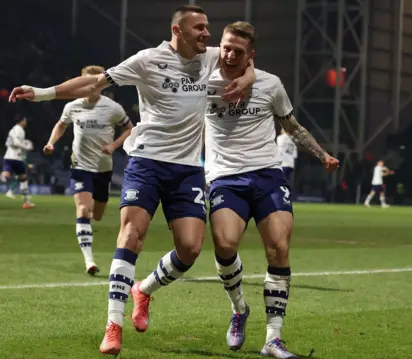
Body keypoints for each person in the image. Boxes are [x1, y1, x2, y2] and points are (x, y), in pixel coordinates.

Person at [9, 5, 256, 356]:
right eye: (199, 27)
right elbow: (94, 83)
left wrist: (243, 82)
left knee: (190, 248)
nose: (206, 33)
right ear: (177, 30)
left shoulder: (212, 57)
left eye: (207, 27)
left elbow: (248, 66)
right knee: (131, 235)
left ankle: (144, 290)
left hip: (186, 169)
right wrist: (44, 92)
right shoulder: (147, 60)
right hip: (147, 162)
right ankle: (113, 325)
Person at [203, 22, 339, 358]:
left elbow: (292, 126)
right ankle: (239, 310)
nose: (230, 54)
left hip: (267, 174)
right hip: (225, 176)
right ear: (219, 45)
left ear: (251, 55)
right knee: (224, 244)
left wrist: (322, 154)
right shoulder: (201, 80)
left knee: (278, 247)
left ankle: (273, 339)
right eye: (226, 47)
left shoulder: (271, 84)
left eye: (239, 50)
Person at [43, 65, 134, 275]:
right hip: (80, 166)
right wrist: (51, 143)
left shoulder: (113, 108)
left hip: (103, 168)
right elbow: (61, 125)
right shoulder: (72, 106)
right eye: (85, 82)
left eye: (95, 82)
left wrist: (113, 146)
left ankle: (87, 227)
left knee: (98, 214)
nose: (90, 86)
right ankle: (89, 261)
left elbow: (130, 128)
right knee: (83, 210)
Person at [2, 116, 35, 208]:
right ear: (21, 121)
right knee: (23, 179)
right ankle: (26, 202)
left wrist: (24, 143)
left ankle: (27, 202)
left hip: (8, 157)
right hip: (16, 158)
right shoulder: (19, 130)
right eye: (25, 120)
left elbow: (7, 143)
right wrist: (26, 146)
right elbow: (16, 143)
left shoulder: (12, 130)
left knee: (5, 176)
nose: (26, 122)